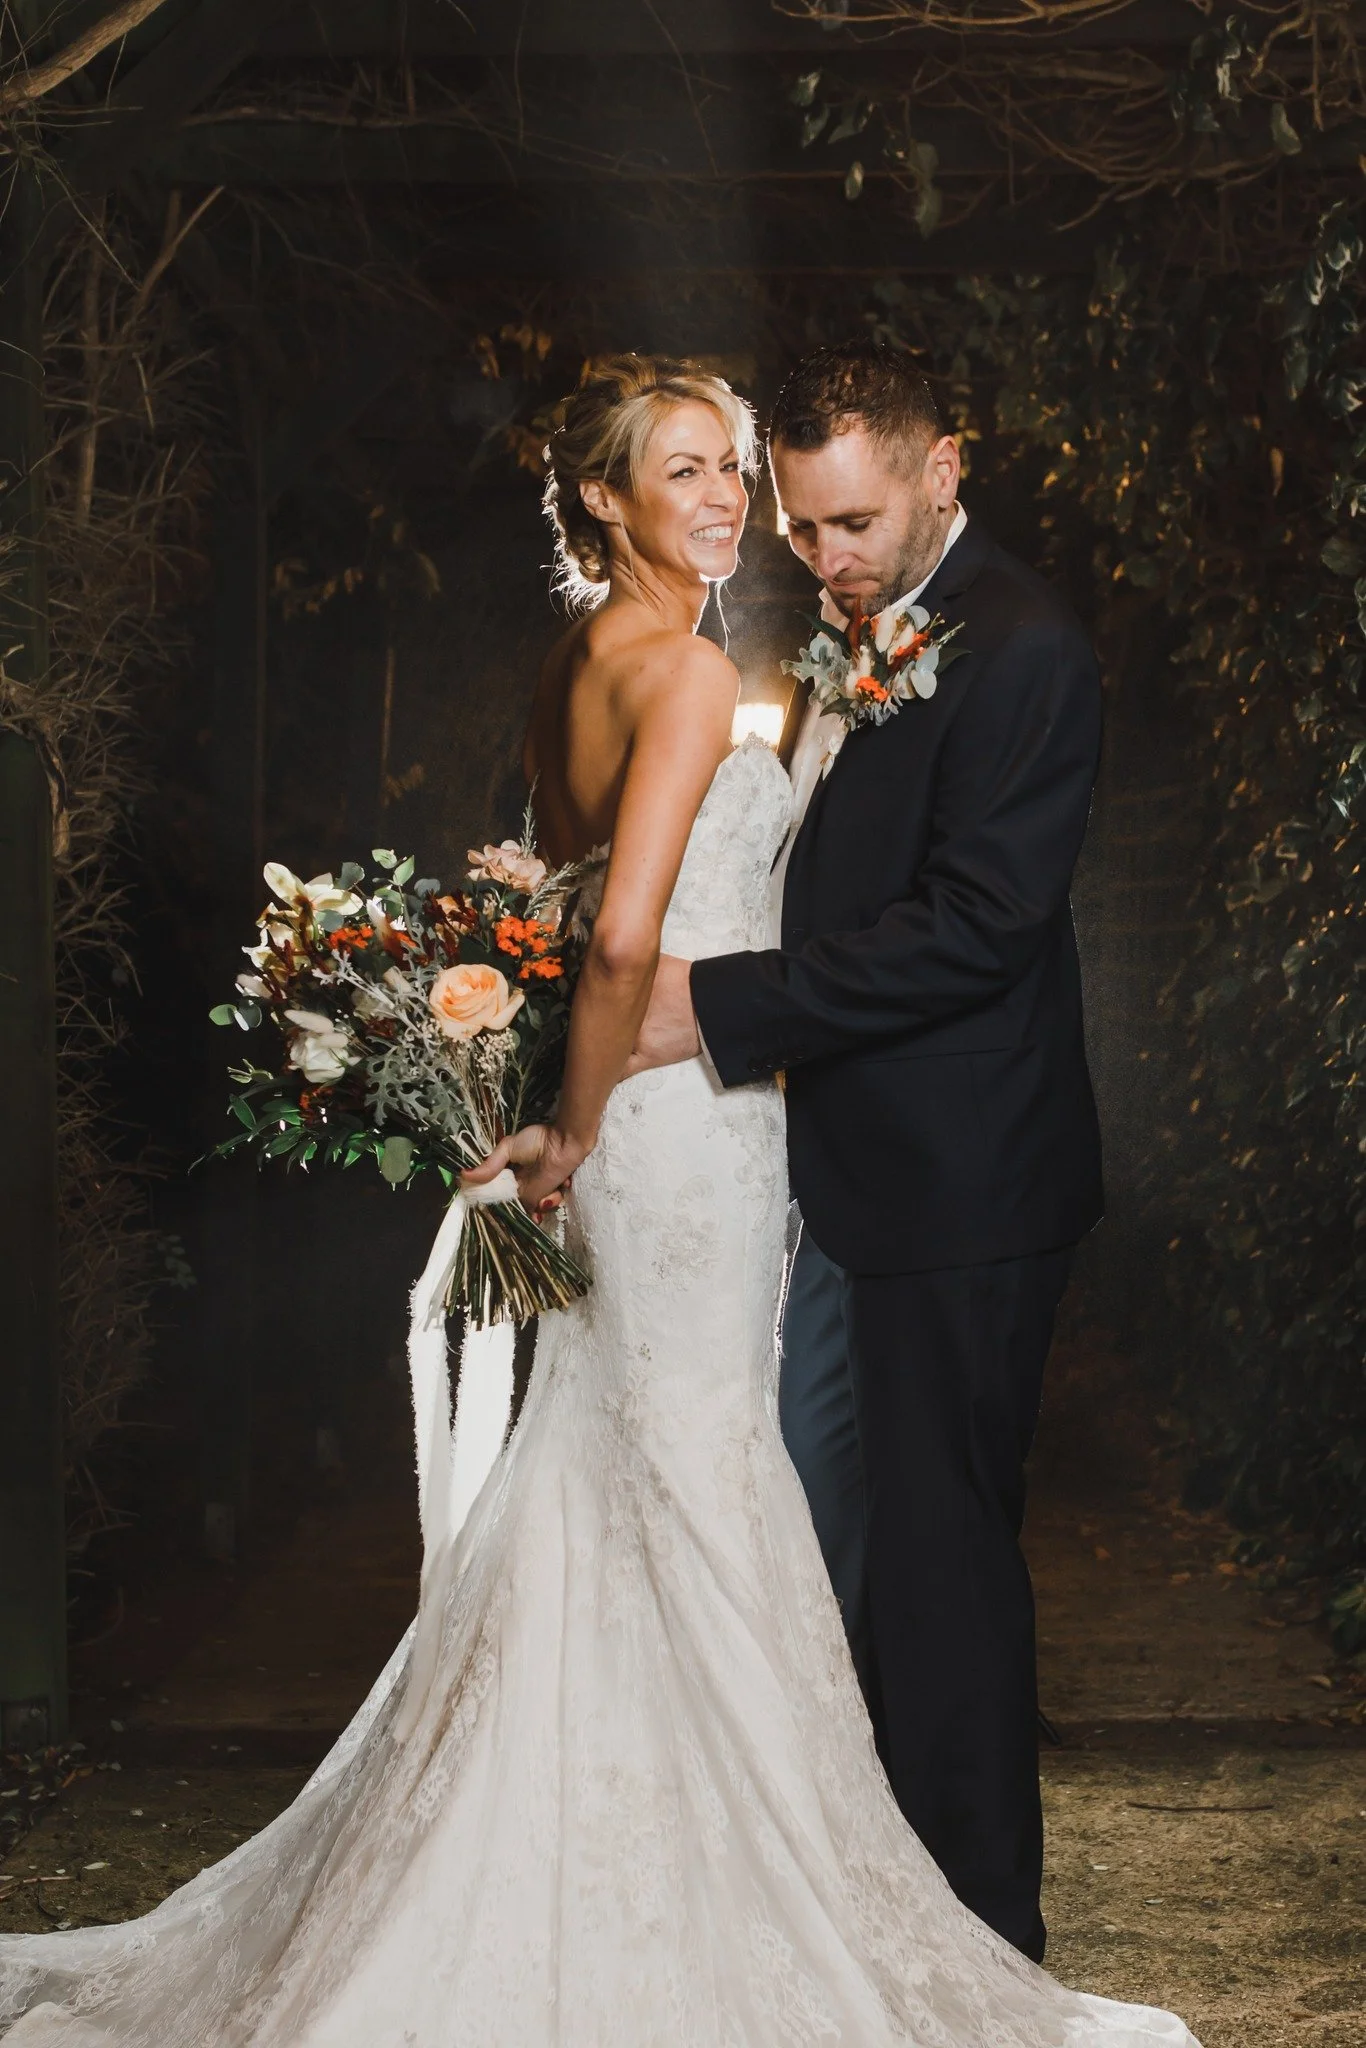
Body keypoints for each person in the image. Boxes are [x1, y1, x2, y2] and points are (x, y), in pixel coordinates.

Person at [0, 356, 1192, 2047]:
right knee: (706, 1491)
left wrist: (584, 1090)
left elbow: (912, 924)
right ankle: (787, 1915)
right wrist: (568, 1115)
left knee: (686, 1496)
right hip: (679, 1136)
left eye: (773, 492)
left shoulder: (622, 659)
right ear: (605, 502)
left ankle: (885, 1909)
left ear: (942, 471)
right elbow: (620, 943)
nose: (761, 523)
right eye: (712, 480)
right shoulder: (695, 674)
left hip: (796, 1140)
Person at [631, 341, 1106, 1964]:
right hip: (846, 1178)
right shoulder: (871, 636)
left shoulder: (1026, 650)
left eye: (853, 523)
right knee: (839, 1555)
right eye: (802, 526)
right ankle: (865, 1920)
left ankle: (982, 1950)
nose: (825, 560)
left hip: (967, 1187)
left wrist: (712, 1008)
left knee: (941, 1573)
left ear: (940, 470)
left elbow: (975, 929)